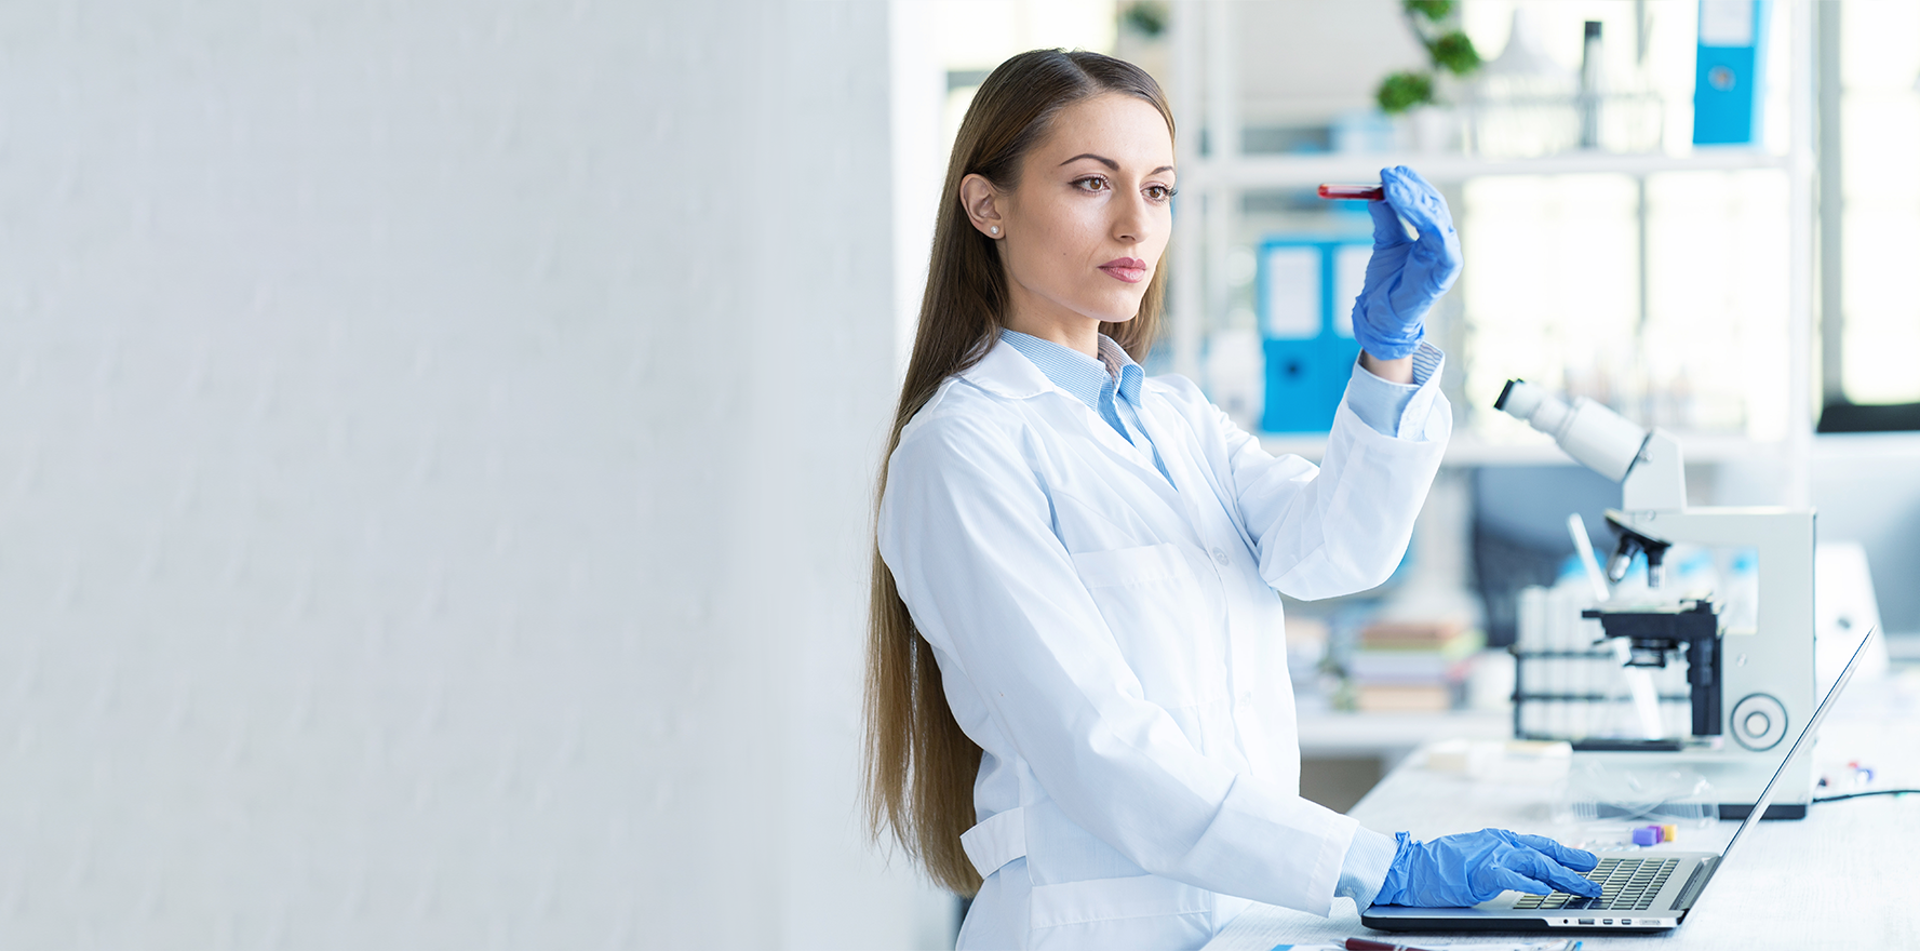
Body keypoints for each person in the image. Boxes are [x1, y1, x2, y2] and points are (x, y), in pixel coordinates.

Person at [863, 50, 1600, 951]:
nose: (1136, 222)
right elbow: (1103, 745)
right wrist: (1384, 865)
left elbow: (1334, 551)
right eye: (1092, 183)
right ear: (988, 205)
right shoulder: (961, 450)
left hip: (1239, 920)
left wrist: (1390, 354)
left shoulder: (1173, 417)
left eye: (1160, 190)